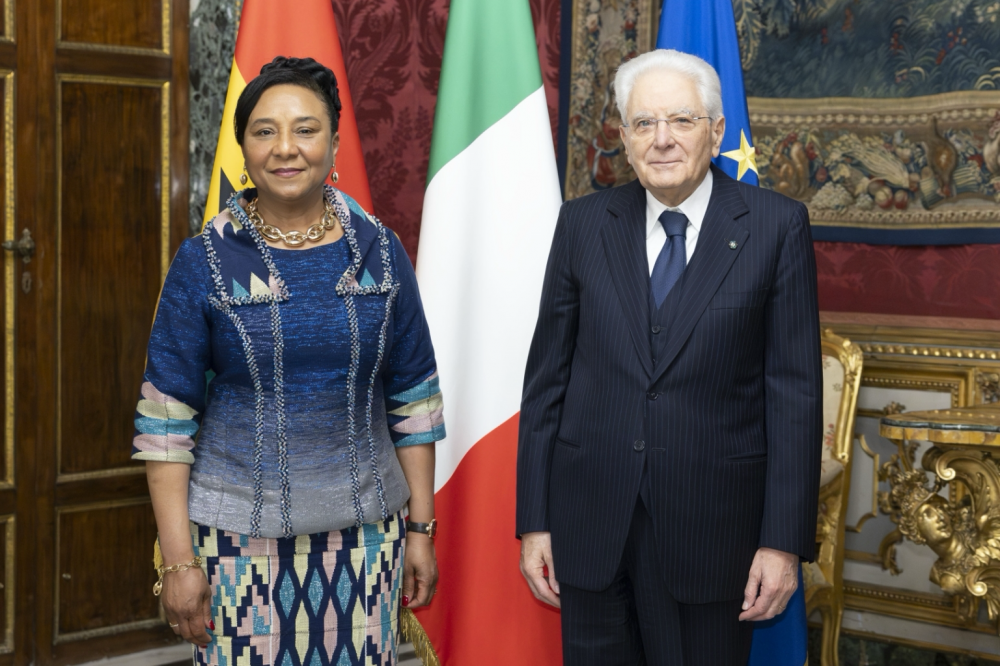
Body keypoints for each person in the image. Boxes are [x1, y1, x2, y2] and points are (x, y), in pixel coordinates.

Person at [133, 56, 443, 665]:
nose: (285, 148)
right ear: (243, 148)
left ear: (333, 142)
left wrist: (420, 531)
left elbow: (414, 397)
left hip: (366, 539)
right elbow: (166, 424)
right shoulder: (207, 260)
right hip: (235, 545)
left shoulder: (378, 251)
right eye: (265, 131)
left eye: (305, 129)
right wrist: (178, 561)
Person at [516, 49, 822, 665]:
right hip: (590, 528)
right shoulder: (581, 224)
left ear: (714, 132)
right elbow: (547, 380)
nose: (662, 140)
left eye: (681, 121)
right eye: (643, 124)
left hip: (714, 537)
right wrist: (535, 521)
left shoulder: (775, 226)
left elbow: (794, 397)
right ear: (624, 139)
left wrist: (782, 544)